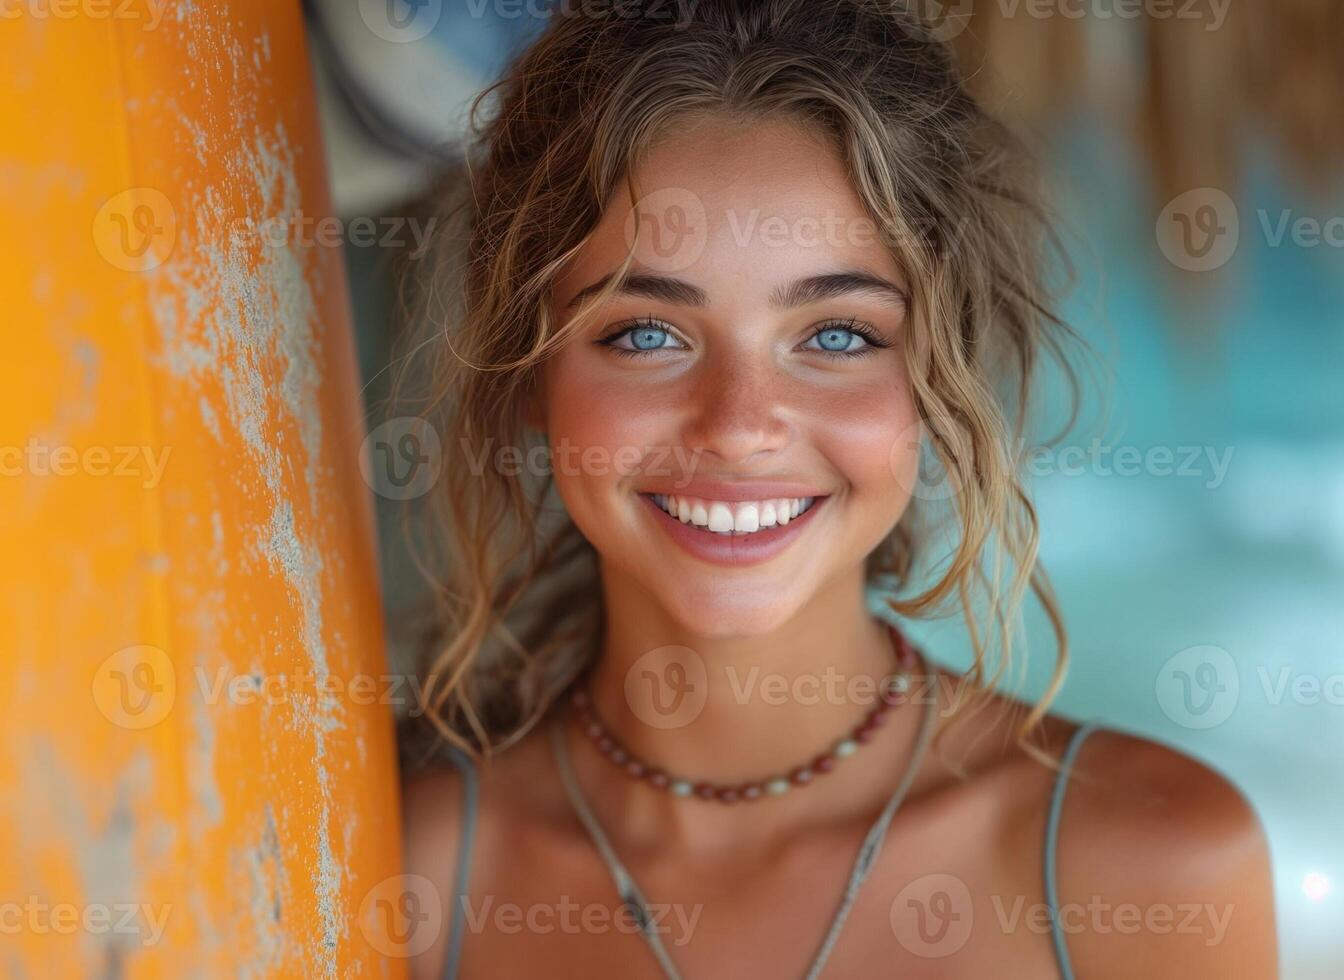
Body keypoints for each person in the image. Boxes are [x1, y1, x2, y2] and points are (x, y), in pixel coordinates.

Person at [397, 2, 1278, 976]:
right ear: (529, 369)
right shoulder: (421, 867)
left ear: (938, 379)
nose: (738, 424)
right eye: (644, 332)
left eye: (837, 334)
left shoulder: (1147, 867)